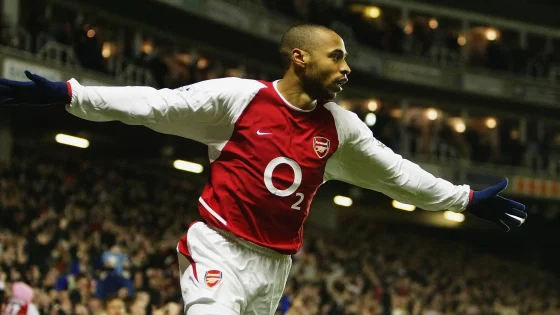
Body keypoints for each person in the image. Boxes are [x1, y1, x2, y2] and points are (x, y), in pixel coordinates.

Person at [0, 24, 527, 315]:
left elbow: (397, 174)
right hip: (220, 249)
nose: (346, 69)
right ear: (300, 58)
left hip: (275, 268)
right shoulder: (240, 99)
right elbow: (156, 105)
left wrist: (465, 199)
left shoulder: (340, 129)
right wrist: (72, 94)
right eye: (337, 57)